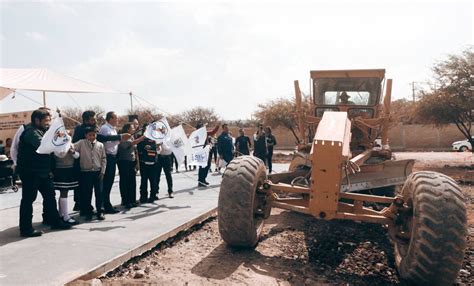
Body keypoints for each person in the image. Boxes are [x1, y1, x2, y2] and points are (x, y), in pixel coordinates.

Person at [17, 109, 71, 237]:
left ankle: (54, 221)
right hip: (30, 172)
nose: (48, 123)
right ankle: (26, 229)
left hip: (43, 171)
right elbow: (44, 146)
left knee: (49, 196)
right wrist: (58, 138)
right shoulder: (31, 132)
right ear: (37, 120)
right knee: (28, 199)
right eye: (46, 121)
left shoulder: (42, 131)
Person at [72, 110, 131, 212]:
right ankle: (87, 208)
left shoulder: (96, 128)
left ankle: (97, 207)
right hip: (85, 162)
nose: (95, 120)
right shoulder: (82, 129)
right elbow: (102, 138)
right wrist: (120, 137)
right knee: (88, 188)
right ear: (86, 120)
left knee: (100, 186)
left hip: (99, 160)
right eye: (92, 119)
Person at [74, 126, 107, 221]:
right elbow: (72, 147)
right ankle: (87, 211)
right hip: (86, 172)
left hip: (98, 172)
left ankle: (100, 211)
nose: (92, 137)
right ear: (86, 135)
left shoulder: (100, 145)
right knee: (87, 193)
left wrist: (103, 171)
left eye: (94, 134)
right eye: (90, 135)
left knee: (99, 193)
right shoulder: (81, 143)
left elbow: (103, 158)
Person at [98, 111, 124, 214]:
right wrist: (119, 137)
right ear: (110, 119)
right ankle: (105, 205)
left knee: (110, 182)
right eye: (116, 118)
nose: (117, 120)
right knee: (107, 182)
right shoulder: (105, 128)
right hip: (107, 156)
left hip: (113, 157)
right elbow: (106, 142)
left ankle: (106, 203)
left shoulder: (113, 129)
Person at [117, 123, 145, 209]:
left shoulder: (132, 136)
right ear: (127, 129)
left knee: (132, 182)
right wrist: (142, 138)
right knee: (125, 181)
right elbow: (129, 145)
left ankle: (132, 200)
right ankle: (126, 200)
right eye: (132, 127)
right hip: (124, 161)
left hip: (132, 161)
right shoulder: (123, 137)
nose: (134, 129)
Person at [53, 142, 80, 225]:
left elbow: (77, 156)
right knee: (63, 192)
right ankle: (65, 216)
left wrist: (73, 152)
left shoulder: (71, 144)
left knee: (64, 192)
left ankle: (62, 214)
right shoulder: (56, 145)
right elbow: (58, 155)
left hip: (69, 169)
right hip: (60, 170)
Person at [137, 128, 159, 203]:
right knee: (143, 181)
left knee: (153, 181)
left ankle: (153, 196)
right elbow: (138, 148)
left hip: (153, 163)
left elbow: (158, 149)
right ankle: (143, 197)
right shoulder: (141, 139)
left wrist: (153, 147)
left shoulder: (155, 139)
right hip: (144, 162)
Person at [197, 123, 219, 187]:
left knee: (208, 165)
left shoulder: (205, 133)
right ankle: (200, 181)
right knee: (202, 166)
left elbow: (213, 132)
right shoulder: (196, 134)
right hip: (201, 152)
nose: (204, 128)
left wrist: (217, 126)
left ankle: (203, 179)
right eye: (203, 127)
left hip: (207, 151)